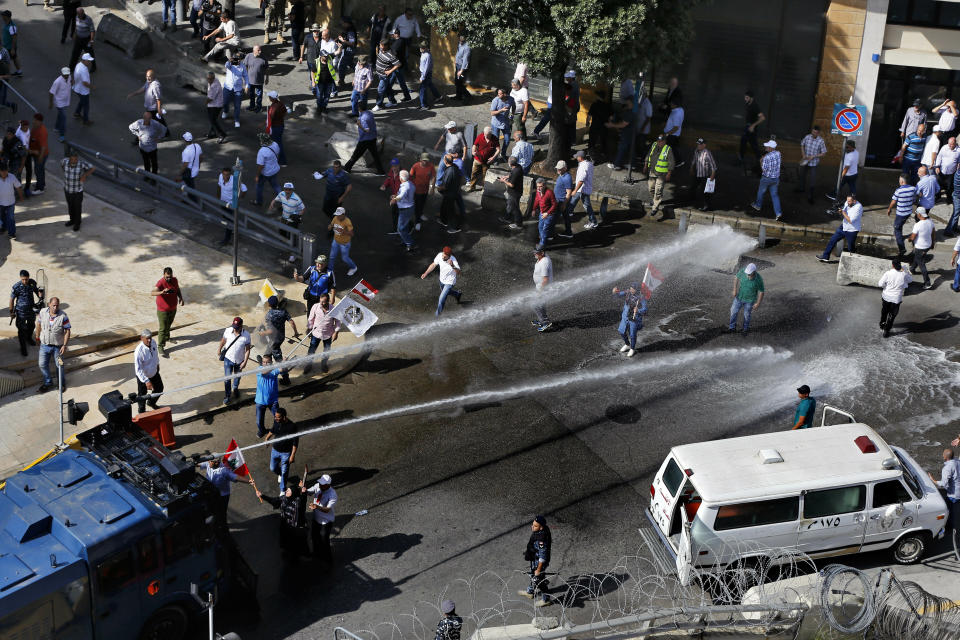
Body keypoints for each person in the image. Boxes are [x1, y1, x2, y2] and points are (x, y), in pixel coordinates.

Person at [256, 473, 310, 558]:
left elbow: (303, 499)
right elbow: (274, 500)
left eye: (288, 491)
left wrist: (303, 491)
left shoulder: (298, 503)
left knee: (298, 543)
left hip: (295, 527)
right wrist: (262, 496)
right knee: (286, 541)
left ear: (293, 493)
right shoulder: (284, 498)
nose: (286, 491)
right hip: (285, 525)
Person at [200, 457, 253, 530]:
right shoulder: (209, 464)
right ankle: (216, 523)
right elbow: (199, 465)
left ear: (216, 463)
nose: (208, 463)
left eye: (210, 462)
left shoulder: (224, 471)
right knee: (212, 509)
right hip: (212, 493)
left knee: (221, 511)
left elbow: (236, 477)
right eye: (208, 461)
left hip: (222, 495)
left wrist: (248, 481)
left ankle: (223, 526)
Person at [35, 297, 70, 393]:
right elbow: (38, 324)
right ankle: (48, 382)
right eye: (53, 305)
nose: (55, 307)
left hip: (57, 347)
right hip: (44, 345)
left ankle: (61, 383)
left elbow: (67, 331)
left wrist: (64, 345)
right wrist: (37, 337)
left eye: (57, 305)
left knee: (59, 366)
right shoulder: (42, 312)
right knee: (42, 364)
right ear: (49, 304)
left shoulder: (63, 316)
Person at [263, 294, 298, 385]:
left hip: (273, 340)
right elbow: (292, 322)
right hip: (281, 337)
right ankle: (269, 367)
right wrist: (296, 333)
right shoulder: (283, 312)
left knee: (278, 360)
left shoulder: (268, 315)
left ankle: (286, 379)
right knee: (267, 354)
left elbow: (269, 330)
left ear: (269, 305)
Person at [344, 101, 385, 175]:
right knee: (375, 155)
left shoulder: (363, 118)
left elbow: (367, 129)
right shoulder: (369, 113)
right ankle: (381, 171)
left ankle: (347, 168)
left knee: (356, 155)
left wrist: (359, 125)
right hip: (373, 138)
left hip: (365, 140)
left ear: (359, 108)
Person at [518, 515, 551, 607]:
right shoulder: (539, 532)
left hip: (539, 562)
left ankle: (546, 599)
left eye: (535, 526)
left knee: (539, 580)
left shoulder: (542, 539)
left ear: (541, 527)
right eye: (532, 524)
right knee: (532, 576)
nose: (532, 527)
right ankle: (530, 592)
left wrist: (539, 569)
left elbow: (543, 556)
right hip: (534, 559)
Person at [151, 267, 183, 357]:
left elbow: (177, 289)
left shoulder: (175, 280)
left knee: (169, 324)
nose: (169, 279)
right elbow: (152, 292)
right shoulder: (161, 282)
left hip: (173, 308)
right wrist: (162, 292)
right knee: (163, 328)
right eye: (167, 277)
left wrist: (181, 298)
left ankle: (167, 338)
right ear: (164, 275)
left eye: (170, 276)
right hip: (163, 310)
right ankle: (160, 346)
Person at [218, 316, 251, 404]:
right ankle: (228, 396)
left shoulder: (246, 335)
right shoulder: (228, 330)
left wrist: (245, 362)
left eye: (237, 328)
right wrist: (219, 349)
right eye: (234, 327)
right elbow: (223, 340)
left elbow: (247, 349)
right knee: (227, 379)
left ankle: (235, 388)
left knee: (237, 376)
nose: (235, 329)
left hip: (239, 361)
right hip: (228, 359)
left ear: (241, 326)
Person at [421, 246, 462, 316]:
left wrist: (452, 265)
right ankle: (457, 294)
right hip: (442, 280)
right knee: (446, 292)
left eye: (445, 256)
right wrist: (426, 273)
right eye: (443, 255)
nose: (443, 257)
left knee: (441, 299)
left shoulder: (453, 261)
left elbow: (458, 272)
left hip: (449, 282)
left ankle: (437, 316)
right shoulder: (440, 255)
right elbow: (433, 264)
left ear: (449, 256)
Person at [305, 293, 340, 374]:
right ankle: (309, 364)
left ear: (328, 301)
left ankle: (324, 364)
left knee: (327, 350)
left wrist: (336, 332)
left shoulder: (333, 309)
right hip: (316, 333)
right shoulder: (315, 306)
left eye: (323, 302)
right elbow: (311, 318)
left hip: (328, 334)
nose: (321, 303)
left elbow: (337, 322)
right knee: (311, 350)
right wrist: (309, 328)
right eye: (320, 301)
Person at [265, 407, 298, 493]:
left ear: (284, 417)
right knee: (273, 468)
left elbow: (295, 442)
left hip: (286, 453)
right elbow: (272, 430)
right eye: (275, 416)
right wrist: (267, 438)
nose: (275, 418)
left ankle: (283, 489)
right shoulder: (276, 421)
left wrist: (292, 455)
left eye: (278, 417)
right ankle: (281, 475)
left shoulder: (292, 427)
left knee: (284, 471)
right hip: (275, 450)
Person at [928, 450, 960, 536]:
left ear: (945, 457)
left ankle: (951, 527)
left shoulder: (947, 468)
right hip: (958, 492)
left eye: (943, 454)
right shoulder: (958, 461)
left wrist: (933, 480)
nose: (942, 455)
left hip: (953, 495)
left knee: (948, 510)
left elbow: (943, 483)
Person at [727, 263, 764, 335]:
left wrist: (758, 303)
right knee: (733, 311)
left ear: (754, 272)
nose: (747, 275)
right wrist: (734, 289)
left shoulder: (759, 279)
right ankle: (732, 328)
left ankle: (745, 329)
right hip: (739, 297)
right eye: (747, 274)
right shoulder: (743, 271)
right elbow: (736, 277)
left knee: (746, 315)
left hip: (750, 301)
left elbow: (761, 292)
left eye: (749, 274)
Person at [9, 270, 40, 357]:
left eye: (26, 279)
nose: (25, 281)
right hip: (21, 312)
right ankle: (23, 347)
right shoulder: (16, 286)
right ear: (20, 278)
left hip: (31, 311)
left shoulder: (32, 283)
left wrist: (40, 296)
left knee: (31, 326)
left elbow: (37, 291)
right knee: (21, 330)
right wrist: (11, 312)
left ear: (29, 277)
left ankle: (29, 338)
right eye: (23, 279)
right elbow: (11, 300)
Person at [307, 474, 337, 565]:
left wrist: (316, 506)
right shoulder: (318, 486)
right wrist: (303, 488)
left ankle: (328, 561)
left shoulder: (332, 495)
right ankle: (317, 554)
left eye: (323, 484)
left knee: (325, 541)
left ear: (328, 485)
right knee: (314, 537)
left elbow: (327, 510)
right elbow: (308, 492)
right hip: (316, 519)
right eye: (320, 483)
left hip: (326, 522)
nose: (320, 485)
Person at [878, 259, 912, 337]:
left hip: (886, 296)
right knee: (892, 315)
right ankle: (887, 330)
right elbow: (910, 280)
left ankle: (882, 324)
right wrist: (906, 271)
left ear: (892, 265)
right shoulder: (904, 274)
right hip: (896, 298)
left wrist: (885, 286)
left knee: (884, 311)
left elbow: (880, 284)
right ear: (900, 266)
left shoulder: (888, 273)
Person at [886, 175, 917, 258]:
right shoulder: (913, 189)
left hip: (901, 213)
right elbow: (914, 199)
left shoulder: (899, 190)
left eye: (899, 180)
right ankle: (898, 233)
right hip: (908, 212)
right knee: (900, 224)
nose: (899, 181)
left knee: (897, 228)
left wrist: (889, 209)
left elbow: (893, 202)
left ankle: (902, 249)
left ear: (902, 181)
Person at [129, 111, 168, 177]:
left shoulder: (155, 124)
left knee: (154, 164)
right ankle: (147, 175)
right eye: (145, 119)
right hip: (143, 147)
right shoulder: (139, 122)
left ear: (151, 118)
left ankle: (154, 177)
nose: (146, 121)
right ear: (143, 118)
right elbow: (131, 127)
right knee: (146, 162)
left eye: (148, 119)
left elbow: (164, 129)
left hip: (152, 148)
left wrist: (159, 137)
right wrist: (137, 135)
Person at [751, 140, 782, 221]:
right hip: (776, 178)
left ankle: (758, 206)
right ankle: (778, 213)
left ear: (771, 148)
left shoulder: (767, 158)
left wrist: (761, 161)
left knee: (761, 192)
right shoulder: (778, 153)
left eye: (767, 146)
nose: (766, 147)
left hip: (766, 178)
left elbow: (764, 170)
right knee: (775, 195)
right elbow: (773, 158)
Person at [612, 282, 646, 357]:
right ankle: (627, 344)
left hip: (634, 318)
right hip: (625, 316)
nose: (631, 290)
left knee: (632, 334)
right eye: (630, 288)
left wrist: (638, 310)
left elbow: (644, 309)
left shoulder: (641, 297)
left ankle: (632, 348)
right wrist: (615, 292)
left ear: (636, 290)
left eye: (633, 289)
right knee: (621, 331)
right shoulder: (627, 292)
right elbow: (618, 295)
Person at [133, 329, 163, 413]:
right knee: (142, 395)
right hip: (144, 377)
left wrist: (157, 365)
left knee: (159, 388)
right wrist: (146, 381)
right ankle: (141, 411)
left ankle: (151, 402)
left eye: (150, 338)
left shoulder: (153, 342)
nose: (149, 340)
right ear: (141, 338)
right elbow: (138, 370)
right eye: (147, 338)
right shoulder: (139, 351)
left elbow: (155, 355)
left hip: (154, 372)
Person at [643, 136, 674, 216]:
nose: (659, 142)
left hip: (662, 174)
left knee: (658, 190)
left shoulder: (668, 149)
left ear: (664, 141)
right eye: (658, 141)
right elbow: (648, 155)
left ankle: (655, 207)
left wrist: (669, 173)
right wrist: (645, 165)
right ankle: (655, 200)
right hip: (652, 171)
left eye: (661, 141)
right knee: (650, 188)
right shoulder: (654, 145)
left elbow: (671, 162)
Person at [797, 126, 827, 203]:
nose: (814, 133)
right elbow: (802, 144)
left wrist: (813, 156)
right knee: (802, 175)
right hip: (805, 161)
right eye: (813, 132)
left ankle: (810, 196)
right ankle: (801, 189)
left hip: (814, 163)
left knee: (812, 179)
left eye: (816, 132)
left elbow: (824, 153)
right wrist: (803, 154)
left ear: (819, 133)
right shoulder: (807, 137)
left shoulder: (821, 141)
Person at [908, 207, 935, 290]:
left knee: (922, 264)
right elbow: (933, 233)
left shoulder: (918, 225)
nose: (916, 215)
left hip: (920, 247)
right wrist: (933, 243)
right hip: (927, 246)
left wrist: (909, 239)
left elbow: (912, 237)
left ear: (919, 214)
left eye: (916, 213)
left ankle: (927, 283)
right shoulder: (930, 222)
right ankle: (912, 269)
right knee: (918, 257)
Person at [255, 352, 281, 436]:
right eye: (264, 362)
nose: (265, 364)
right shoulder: (259, 369)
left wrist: (283, 363)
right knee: (259, 421)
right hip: (260, 401)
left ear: (271, 362)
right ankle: (262, 431)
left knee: (278, 418)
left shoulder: (274, 371)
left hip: (273, 400)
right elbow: (264, 372)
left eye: (267, 362)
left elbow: (282, 370)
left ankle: (275, 430)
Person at [251, 133, 282, 205]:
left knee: (259, 186)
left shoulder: (262, 151)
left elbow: (261, 166)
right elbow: (278, 153)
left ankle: (259, 202)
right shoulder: (275, 144)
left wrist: (257, 175)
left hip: (266, 173)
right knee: (276, 186)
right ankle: (283, 201)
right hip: (275, 170)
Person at [465, 126, 499, 192]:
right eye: (485, 134)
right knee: (474, 174)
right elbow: (474, 145)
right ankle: (472, 187)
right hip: (477, 159)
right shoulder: (480, 136)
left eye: (487, 135)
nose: (485, 136)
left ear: (491, 134)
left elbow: (498, 149)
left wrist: (493, 157)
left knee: (485, 176)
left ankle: (484, 189)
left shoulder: (495, 139)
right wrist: (473, 151)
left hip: (487, 162)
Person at [739, 90, 765, 173]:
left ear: (751, 98)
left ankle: (761, 161)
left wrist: (753, 126)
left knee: (754, 146)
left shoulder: (755, 106)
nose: (745, 99)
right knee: (743, 141)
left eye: (747, 98)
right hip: (748, 127)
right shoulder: (748, 104)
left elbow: (762, 118)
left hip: (751, 129)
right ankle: (741, 158)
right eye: (745, 97)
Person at [390, 169, 416, 251]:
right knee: (405, 227)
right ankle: (405, 240)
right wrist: (395, 196)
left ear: (401, 179)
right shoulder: (410, 184)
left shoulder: (405, 187)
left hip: (405, 210)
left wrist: (394, 200)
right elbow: (403, 194)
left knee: (400, 229)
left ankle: (409, 243)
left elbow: (401, 195)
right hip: (409, 208)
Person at [329, 207, 359, 275]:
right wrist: (330, 226)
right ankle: (330, 270)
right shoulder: (335, 218)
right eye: (337, 214)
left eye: (339, 215)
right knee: (332, 256)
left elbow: (352, 234)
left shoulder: (347, 222)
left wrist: (343, 231)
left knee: (345, 258)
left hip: (344, 244)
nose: (337, 216)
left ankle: (354, 267)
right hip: (335, 241)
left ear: (343, 214)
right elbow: (332, 224)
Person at [436, 154, 463, 233]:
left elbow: (445, 186)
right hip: (453, 192)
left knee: (451, 211)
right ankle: (444, 221)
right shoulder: (455, 167)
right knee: (443, 207)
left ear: (445, 161)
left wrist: (438, 188)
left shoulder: (449, 171)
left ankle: (455, 228)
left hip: (449, 194)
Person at [690, 138, 717, 211]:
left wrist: (712, 175)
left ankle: (707, 206)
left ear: (704, 145)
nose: (698, 145)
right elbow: (694, 160)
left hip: (705, 175)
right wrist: (692, 167)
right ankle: (692, 201)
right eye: (698, 144)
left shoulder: (707, 153)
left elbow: (713, 166)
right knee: (693, 187)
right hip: (697, 174)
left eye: (700, 144)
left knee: (705, 192)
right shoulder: (696, 151)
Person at [409, 152, 436, 228]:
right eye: (424, 160)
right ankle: (417, 221)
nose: (425, 162)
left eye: (426, 160)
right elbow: (410, 176)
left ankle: (420, 214)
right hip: (417, 191)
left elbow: (433, 176)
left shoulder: (431, 166)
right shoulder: (415, 166)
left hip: (425, 189)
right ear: (420, 159)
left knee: (423, 203)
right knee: (418, 205)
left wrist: (432, 188)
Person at [221, 55, 248, 128]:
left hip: (238, 89)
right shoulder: (230, 64)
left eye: (239, 59)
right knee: (225, 102)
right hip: (228, 87)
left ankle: (236, 120)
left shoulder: (243, 66)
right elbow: (226, 65)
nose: (238, 61)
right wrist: (230, 60)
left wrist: (247, 85)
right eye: (236, 59)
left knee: (237, 105)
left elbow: (245, 76)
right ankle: (226, 111)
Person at [373, 39, 401, 110]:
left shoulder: (391, 55)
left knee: (380, 89)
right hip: (380, 74)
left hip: (384, 76)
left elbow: (398, 64)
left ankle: (379, 105)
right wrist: (377, 51)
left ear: (386, 46)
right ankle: (393, 102)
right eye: (380, 45)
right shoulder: (381, 49)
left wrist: (390, 71)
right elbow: (378, 53)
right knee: (388, 88)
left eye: (381, 46)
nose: (380, 47)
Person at [0, 159, 24, 240]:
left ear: (8, 170)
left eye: (5, 171)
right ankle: (3, 228)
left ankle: (12, 233)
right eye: (2, 171)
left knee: (11, 218)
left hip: (11, 202)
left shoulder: (12, 177)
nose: (4, 173)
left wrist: (21, 197)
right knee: (2, 217)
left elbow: (18, 187)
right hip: (0, 203)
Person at [498, 156, 524, 230]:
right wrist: (506, 176)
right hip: (514, 192)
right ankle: (507, 217)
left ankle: (518, 223)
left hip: (514, 193)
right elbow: (511, 174)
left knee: (515, 208)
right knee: (509, 205)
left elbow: (511, 185)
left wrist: (503, 181)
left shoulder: (516, 172)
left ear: (510, 164)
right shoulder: (518, 167)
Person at [25, 115, 49, 196]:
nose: (33, 121)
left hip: (40, 154)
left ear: (40, 121)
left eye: (35, 120)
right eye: (34, 120)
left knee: (38, 170)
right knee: (40, 169)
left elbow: (43, 147)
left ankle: (40, 188)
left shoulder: (42, 131)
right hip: (35, 153)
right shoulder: (35, 127)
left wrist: (40, 157)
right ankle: (42, 183)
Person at [532, 246, 553, 332]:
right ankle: (543, 320)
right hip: (540, 287)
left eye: (536, 252)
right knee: (540, 305)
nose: (534, 254)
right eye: (534, 252)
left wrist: (540, 291)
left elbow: (545, 279)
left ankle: (545, 322)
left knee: (536, 304)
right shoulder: (542, 258)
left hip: (544, 288)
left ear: (542, 253)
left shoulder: (544, 263)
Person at [531, 178, 557, 246]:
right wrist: (533, 209)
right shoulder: (538, 191)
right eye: (537, 186)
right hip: (541, 213)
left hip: (549, 214)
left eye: (540, 186)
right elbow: (537, 200)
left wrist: (547, 213)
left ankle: (542, 245)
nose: (539, 188)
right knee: (540, 227)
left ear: (544, 185)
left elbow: (554, 204)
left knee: (545, 230)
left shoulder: (549, 193)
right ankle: (543, 238)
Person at [48, 67, 72, 142]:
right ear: (62, 74)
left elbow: (71, 80)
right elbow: (51, 92)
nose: (66, 76)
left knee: (60, 115)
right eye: (65, 74)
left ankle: (56, 127)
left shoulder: (69, 77)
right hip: (59, 102)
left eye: (67, 74)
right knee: (63, 117)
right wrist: (51, 103)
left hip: (65, 101)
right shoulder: (57, 82)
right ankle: (62, 135)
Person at [490, 88, 513, 162]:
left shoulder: (511, 99)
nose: (498, 95)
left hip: (505, 123)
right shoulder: (495, 100)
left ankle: (503, 154)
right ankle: (495, 158)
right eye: (498, 93)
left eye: (500, 94)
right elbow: (492, 113)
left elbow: (514, 106)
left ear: (505, 94)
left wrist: (512, 114)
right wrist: (501, 110)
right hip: (496, 123)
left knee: (507, 139)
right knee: (495, 141)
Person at [244, 46, 269, 113]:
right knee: (251, 94)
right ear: (254, 51)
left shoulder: (264, 58)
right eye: (258, 50)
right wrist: (246, 77)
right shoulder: (248, 56)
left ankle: (259, 107)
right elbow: (245, 66)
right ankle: (252, 106)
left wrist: (267, 78)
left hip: (259, 81)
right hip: (250, 80)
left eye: (260, 50)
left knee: (259, 95)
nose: (260, 51)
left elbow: (266, 69)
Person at [935, 137, 959, 207]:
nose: (950, 146)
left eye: (952, 144)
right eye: (949, 144)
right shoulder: (944, 147)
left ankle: (949, 199)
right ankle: (938, 197)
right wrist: (937, 166)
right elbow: (939, 157)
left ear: (955, 143)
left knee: (949, 187)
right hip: (941, 171)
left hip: (951, 174)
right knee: (938, 186)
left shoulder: (958, 151)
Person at [72, 53, 94, 127]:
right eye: (89, 61)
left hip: (77, 88)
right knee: (86, 106)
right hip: (83, 90)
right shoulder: (84, 70)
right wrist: (92, 87)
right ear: (85, 60)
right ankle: (85, 120)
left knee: (82, 101)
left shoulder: (79, 65)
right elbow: (85, 83)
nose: (90, 62)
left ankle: (77, 113)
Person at [266, 91, 288, 165]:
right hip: (280, 126)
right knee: (278, 143)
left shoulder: (274, 107)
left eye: (269, 97)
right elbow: (285, 112)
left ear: (272, 98)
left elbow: (271, 117)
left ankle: (282, 161)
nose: (269, 98)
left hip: (275, 127)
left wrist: (267, 124)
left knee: (277, 144)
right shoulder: (281, 104)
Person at [205, 71, 228, 143]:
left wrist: (205, 102)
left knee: (213, 120)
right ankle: (212, 133)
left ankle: (222, 135)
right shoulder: (213, 81)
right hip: (215, 105)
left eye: (209, 79)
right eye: (207, 78)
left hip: (215, 106)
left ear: (213, 78)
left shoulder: (214, 86)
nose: (208, 80)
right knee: (213, 120)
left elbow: (211, 98)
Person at [418, 42, 440, 110]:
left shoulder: (427, 55)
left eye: (422, 47)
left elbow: (426, 68)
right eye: (420, 47)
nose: (420, 48)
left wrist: (422, 77)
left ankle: (424, 105)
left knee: (422, 89)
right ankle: (438, 96)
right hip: (426, 73)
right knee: (430, 84)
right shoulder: (423, 53)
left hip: (426, 74)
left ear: (426, 48)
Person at [453, 35, 470, 101]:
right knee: (457, 82)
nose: (460, 42)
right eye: (460, 40)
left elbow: (465, 60)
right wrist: (456, 60)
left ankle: (468, 95)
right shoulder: (460, 44)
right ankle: (458, 96)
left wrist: (461, 70)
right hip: (458, 65)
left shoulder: (467, 48)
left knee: (459, 83)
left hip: (461, 67)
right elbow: (458, 53)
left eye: (462, 41)